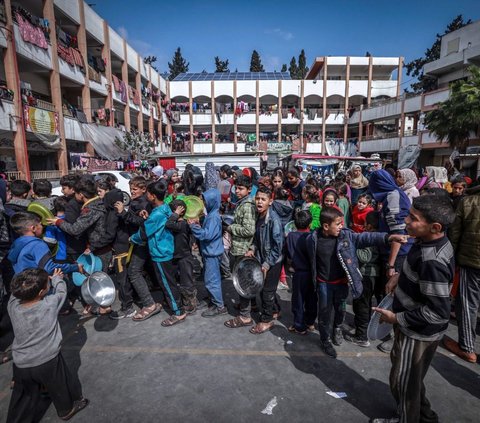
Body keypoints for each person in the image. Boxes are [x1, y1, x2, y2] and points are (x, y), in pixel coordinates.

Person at [372, 194, 455, 423]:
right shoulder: (425, 240)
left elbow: (437, 313)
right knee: (411, 380)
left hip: (418, 332)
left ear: (435, 226)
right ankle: (426, 417)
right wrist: (399, 275)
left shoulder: (433, 261)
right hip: (411, 325)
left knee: (403, 382)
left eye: (413, 218)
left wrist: (396, 318)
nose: (406, 221)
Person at [308, 207, 406, 358]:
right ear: (326, 226)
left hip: (341, 283)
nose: (342, 226)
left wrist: (388, 238)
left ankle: (337, 328)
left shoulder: (346, 236)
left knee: (340, 309)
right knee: (324, 313)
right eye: (338, 223)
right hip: (324, 285)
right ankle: (325, 339)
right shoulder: (313, 239)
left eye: (342, 223)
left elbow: (366, 238)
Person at [6, 268, 89, 422]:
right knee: (59, 387)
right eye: (47, 283)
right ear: (41, 292)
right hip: (48, 361)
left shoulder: (12, 307)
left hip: (21, 364)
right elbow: (62, 292)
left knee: (21, 397)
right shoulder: (49, 304)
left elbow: (13, 294)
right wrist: (57, 279)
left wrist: (25, 280)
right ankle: (66, 410)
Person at [369, 169, 413, 353]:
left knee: (392, 295)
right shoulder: (392, 195)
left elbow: (398, 235)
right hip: (394, 253)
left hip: (398, 254)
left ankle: (395, 338)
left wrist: (391, 264)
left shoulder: (393, 197)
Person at [130, 181, 186, 326]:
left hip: (160, 252)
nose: (146, 195)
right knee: (168, 281)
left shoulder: (156, 214)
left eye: (147, 193)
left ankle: (178, 312)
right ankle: (174, 304)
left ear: (153, 196)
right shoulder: (165, 208)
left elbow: (143, 234)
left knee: (167, 284)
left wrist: (132, 238)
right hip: (166, 248)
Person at [115, 176, 160, 322]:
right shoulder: (141, 202)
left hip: (140, 241)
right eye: (130, 189)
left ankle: (149, 303)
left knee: (134, 272)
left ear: (143, 189)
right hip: (143, 241)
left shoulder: (140, 204)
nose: (131, 191)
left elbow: (141, 222)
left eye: (134, 189)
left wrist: (123, 213)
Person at [444, 182, 480, 363]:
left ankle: (467, 347)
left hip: (471, 261)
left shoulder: (468, 202)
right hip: (472, 260)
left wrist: (452, 261)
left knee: (467, 303)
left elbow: (455, 234)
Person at [246, 186, 284, 334]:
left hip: (273, 261)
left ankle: (266, 321)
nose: (259, 202)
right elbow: (257, 239)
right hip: (263, 259)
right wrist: (252, 249)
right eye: (258, 198)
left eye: (263, 199)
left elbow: (278, 246)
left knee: (267, 292)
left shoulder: (273, 220)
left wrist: (267, 264)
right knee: (264, 289)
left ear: (271, 201)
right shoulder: (259, 216)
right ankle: (275, 310)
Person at [224, 176, 257, 328]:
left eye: (241, 188)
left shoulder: (247, 205)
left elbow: (249, 230)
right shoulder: (242, 203)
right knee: (246, 281)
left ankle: (245, 316)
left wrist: (231, 227)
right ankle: (249, 306)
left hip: (242, 249)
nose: (237, 191)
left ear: (249, 189)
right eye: (236, 188)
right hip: (239, 247)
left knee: (243, 283)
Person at [345, 211, 382, 347]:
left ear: (370, 226)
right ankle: (360, 326)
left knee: (362, 305)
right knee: (361, 304)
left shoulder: (370, 237)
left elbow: (365, 257)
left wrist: (352, 247)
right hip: (370, 275)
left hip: (367, 275)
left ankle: (361, 336)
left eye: (365, 223)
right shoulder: (376, 235)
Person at [189, 189, 226, 318]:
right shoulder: (211, 215)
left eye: (205, 200)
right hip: (210, 252)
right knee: (210, 278)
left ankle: (219, 305)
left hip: (212, 253)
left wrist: (194, 227)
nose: (204, 203)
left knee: (212, 280)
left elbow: (206, 235)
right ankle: (212, 299)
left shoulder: (214, 217)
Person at [8, 212, 80, 275]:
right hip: (37, 285)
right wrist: (75, 267)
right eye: (40, 224)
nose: (42, 226)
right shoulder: (37, 245)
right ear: (33, 228)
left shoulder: (16, 243)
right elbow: (49, 268)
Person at [286, 210, 316, 335]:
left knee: (298, 300)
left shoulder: (291, 236)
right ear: (310, 224)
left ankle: (299, 325)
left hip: (299, 273)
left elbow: (288, 255)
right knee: (312, 298)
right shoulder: (313, 236)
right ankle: (310, 322)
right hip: (313, 273)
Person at [166, 199, 198, 314]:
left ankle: (191, 304)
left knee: (187, 281)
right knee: (182, 280)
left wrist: (175, 214)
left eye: (172, 211)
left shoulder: (182, 224)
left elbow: (169, 224)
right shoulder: (181, 223)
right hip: (179, 256)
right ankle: (187, 301)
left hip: (184, 257)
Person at [43, 196, 69, 263]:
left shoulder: (52, 222)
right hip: (75, 252)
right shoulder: (72, 218)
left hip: (59, 255)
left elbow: (49, 241)